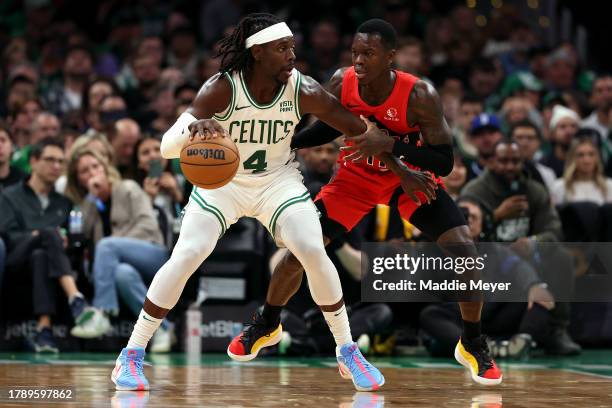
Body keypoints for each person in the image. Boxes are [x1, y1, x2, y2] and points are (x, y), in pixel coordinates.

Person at [110, 14, 430, 392]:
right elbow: (166, 146)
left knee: (312, 248)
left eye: (292, 46)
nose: (292, 54)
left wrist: (401, 168)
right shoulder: (221, 89)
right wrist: (190, 131)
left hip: (277, 181)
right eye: (283, 48)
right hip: (223, 185)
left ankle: (346, 349)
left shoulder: (304, 89)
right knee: (187, 255)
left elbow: (363, 132)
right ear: (258, 53)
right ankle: (131, 354)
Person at [232, 19, 503, 386]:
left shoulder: (420, 94)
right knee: (299, 252)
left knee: (465, 251)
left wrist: (390, 146)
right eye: (355, 52)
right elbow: (328, 126)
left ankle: (472, 340)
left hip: (408, 180)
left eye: (368, 54)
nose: (358, 60)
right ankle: (267, 322)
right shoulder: (343, 81)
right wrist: (289, 143)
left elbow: (443, 161)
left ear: (390, 57)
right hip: (355, 179)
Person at [462, 140, 580, 355]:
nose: (509, 166)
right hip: (489, 260)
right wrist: (496, 216)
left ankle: (556, 331)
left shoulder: (534, 191)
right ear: (491, 162)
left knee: (561, 257)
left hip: (525, 258)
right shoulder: (475, 190)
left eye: (515, 161)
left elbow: (554, 231)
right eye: (503, 161)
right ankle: (478, 334)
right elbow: (464, 228)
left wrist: (532, 242)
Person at [63, 149, 172, 352]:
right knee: (123, 275)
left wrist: (116, 245)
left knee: (107, 245)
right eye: (85, 171)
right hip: (122, 264)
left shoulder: (128, 187)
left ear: (105, 169)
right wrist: (90, 199)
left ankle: (101, 312)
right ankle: (163, 328)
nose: (92, 173)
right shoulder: (89, 204)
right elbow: (81, 233)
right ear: (78, 179)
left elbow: (148, 226)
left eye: (95, 166)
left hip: (153, 253)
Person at [0, 138, 91, 352]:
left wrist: (64, 241)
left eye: (61, 161)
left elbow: (72, 244)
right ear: (33, 161)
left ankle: (44, 330)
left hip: (45, 265)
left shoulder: (64, 203)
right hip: (15, 262)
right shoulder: (8, 196)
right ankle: (75, 299)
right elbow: (8, 237)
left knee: (41, 254)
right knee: (49, 233)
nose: (56, 166)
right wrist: (39, 234)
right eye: (50, 160)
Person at [551, 136, 612, 205]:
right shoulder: (559, 186)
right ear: (572, 158)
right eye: (580, 155)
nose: (586, 160)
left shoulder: (609, 186)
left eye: (591, 154)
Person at [510, 120, 557, 191]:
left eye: (530, 138)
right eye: (519, 137)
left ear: (539, 143)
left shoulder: (547, 174)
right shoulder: (502, 170)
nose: (524, 143)